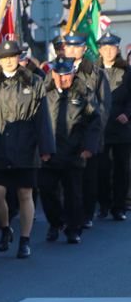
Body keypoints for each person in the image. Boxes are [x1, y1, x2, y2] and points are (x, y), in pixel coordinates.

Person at [0, 41, 55, 259]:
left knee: (25, 193)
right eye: (4, 57)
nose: (8, 60)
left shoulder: (34, 81)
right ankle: (5, 229)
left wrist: (46, 147)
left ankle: (25, 240)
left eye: (12, 56)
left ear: (19, 57)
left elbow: (42, 117)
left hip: (26, 145)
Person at [39, 57, 101, 243]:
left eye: (68, 74)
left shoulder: (84, 93)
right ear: (54, 74)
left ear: (73, 73)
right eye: (61, 74)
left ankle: (73, 229)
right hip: (49, 153)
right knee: (47, 191)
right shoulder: (44, 92)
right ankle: (55, 222)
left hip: (74, 152)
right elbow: (35, 120)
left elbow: (95, 121)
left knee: (74, 193)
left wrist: (90, 146)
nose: (65, 78)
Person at [64, 34, 111, 228]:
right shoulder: (56, 71)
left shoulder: (96, 73)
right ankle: (69, 216)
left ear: (84, 49)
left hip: (88, 135)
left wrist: (96, 135)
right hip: (65, 135)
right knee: (69, 180)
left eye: (77, 47)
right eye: (69, 46)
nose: (73, 50)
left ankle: (87, 214)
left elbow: (104, 106)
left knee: (89, 178)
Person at [95, 31, 131, 221]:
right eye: (105, 48)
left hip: (121, 126)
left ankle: (119, 206)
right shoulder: (93, 71)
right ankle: (104, 204)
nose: (109, 52)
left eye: (112, 48)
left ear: (117, 50)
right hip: (100, 127)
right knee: (101, 168)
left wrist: (127, 113)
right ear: (100, 50)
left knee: (122, 169)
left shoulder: (127, 71)